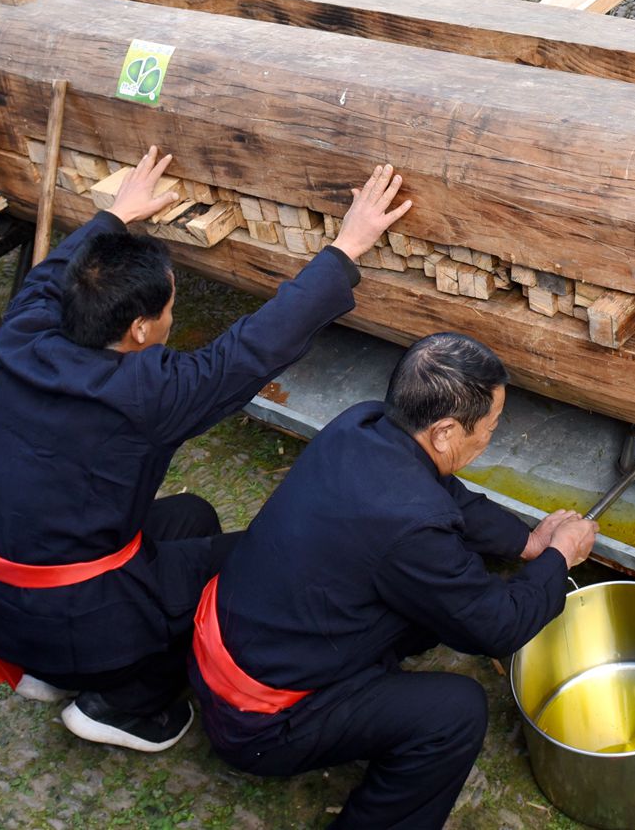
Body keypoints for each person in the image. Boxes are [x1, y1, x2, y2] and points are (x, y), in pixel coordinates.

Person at [0, 149, 409, 750]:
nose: (174, 315)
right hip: (75, 616)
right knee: (254, 567)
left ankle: (49, 670)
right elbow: (252, 349)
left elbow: (52, 272)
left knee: (191, 515)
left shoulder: (23, 333)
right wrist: (346, 248)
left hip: (2, 601)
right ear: (141, 330)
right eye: (172, 307)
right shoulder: (148, 393)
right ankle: (123, 702)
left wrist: (114, 217)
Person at [193, 333, 596, 827]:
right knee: (454, 714)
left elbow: (445, 493)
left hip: (238, 640)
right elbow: (497, 627)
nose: (491, 436)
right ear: (446, 431)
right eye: (491, 425)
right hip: (259, 721)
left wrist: (525, 542)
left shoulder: (362, 423)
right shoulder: (412, 527)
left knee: (437, 596)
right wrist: (559, 557)